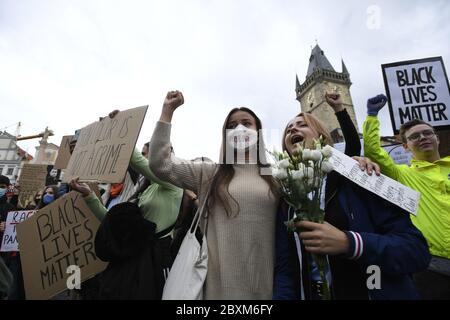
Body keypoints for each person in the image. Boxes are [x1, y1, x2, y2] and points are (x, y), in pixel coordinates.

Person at [273, 92, 430, 300]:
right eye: (288, 129)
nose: (293, 128)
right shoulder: (287, 200)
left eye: (302, 124)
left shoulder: (359, 176)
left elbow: (415, 251)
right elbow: (287, 270)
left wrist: (350, 243)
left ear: (321, 137)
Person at [149, 90, 280, 299]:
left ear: (259, 132)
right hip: (220, 290)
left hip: (269, 287)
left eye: (247, 123)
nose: (239, 129)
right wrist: (168, 111)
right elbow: (160, 164)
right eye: (231, 125)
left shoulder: (277, 176)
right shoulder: (210, 173)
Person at [69, 131, 183, 299]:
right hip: (130, 263)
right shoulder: (142, 192)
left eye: (147, 155)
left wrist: (122, 138)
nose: (144, 159)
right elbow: (113, 225)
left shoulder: (174, 185)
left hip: (153, 264)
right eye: (144, 155)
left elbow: (140, 163)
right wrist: (89, 196)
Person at [363, 94, 450, 299]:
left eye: (427, 133)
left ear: (437, 138)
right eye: (414, 137)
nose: (422, 138)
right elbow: (374, 152)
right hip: (432, 267)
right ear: (405, 146)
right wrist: (372, 116)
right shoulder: (403, 174)